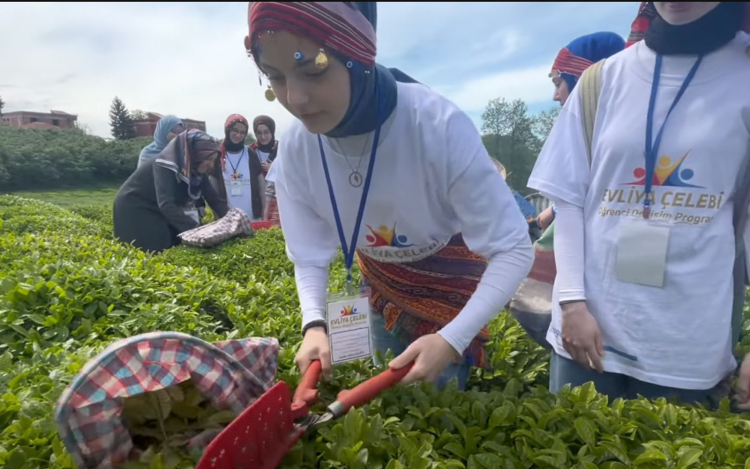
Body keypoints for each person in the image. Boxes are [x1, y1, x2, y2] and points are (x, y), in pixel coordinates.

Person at [246, 1, 533, 390]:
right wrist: (313, 324)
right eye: (274, 77)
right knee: (390, 412)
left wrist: (452, 338)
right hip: (380, 287)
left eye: (313, 69)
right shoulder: (297, 147)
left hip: (446, 291)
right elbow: (309, 254)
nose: (294, 98)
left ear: (356, 53)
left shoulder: (436, 125)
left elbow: (513, 247)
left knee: (438, 416)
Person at [528, 1, 750, 405]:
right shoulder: (602, 79)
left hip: (686, 349)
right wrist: (572, 303)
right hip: (586, 333)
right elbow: (570, 200)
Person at [535, 32, 625, 231]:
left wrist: (557, 211)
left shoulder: (614, 136)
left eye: (558, 83)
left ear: (581, 82)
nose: (555, 96)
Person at [114, 130, 229, 253]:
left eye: (213, 160)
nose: (211, 165)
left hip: (157, 207)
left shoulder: (196, 170)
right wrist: (198, 230)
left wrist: (231, 222)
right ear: (195, 154)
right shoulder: (165, 165)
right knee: (160, 246)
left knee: (177, 240)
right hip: (136, 208)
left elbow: (215, 201)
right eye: (208, 159)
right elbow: (167, 205)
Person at [220, 114, 266, 222]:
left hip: (253, 217)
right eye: (234, 130)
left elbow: (261, 186)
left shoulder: (250, 154)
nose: (238, 135)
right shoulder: (218, 154)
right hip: (227, 221)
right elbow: (214, 189)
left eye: (242, 132)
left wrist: (264, 214)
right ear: (227, 130)